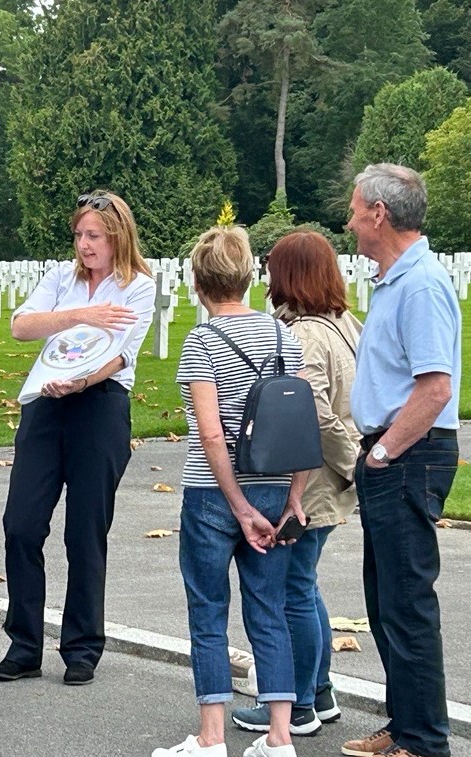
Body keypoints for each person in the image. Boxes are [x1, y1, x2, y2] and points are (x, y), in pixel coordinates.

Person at [0, 191, 154, 687]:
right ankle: (23, 645)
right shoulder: (61, 279)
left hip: (98, 409)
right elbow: (21, 326)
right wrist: (78, 315)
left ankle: (81, 647)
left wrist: (80, 382)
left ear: (117, 236)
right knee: (21, 523)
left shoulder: (137, 287)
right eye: (79, 235)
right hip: (45, 404)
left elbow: (122, 356)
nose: (84, 244)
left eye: (93, 236)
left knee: (84, 532)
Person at [156, 225, 307, 757]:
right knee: (269, 607)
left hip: (214, 495)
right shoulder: (285, 337)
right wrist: (293, 497)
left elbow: (211, 432)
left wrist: (238, 506)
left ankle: (211, 736)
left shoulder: (201, 342)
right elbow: (300, 424)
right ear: (249, 278)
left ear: (198, 283)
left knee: (208, 610)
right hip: (275, 488)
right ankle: (280, 737)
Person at [340, 164, 461, 757]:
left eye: (355, 208)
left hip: (410, 451)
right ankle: (405, 723)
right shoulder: (394, 280)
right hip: (394, 452)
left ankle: (424, 740)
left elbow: (435, 387)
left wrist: (384, 453)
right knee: (384, 599)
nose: (350, 219)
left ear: (379, 214)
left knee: (407, 602)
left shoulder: (420, 285)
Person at [230, 230, 362, 737]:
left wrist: (352, 465)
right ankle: (319, 689)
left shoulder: (305, 334)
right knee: (304, 586)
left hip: (315, 480)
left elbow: (316, 415)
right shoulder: (344, 322)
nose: (266, 278)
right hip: (334, 475)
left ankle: (299, 702)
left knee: (290, 591)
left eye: (273, 269)